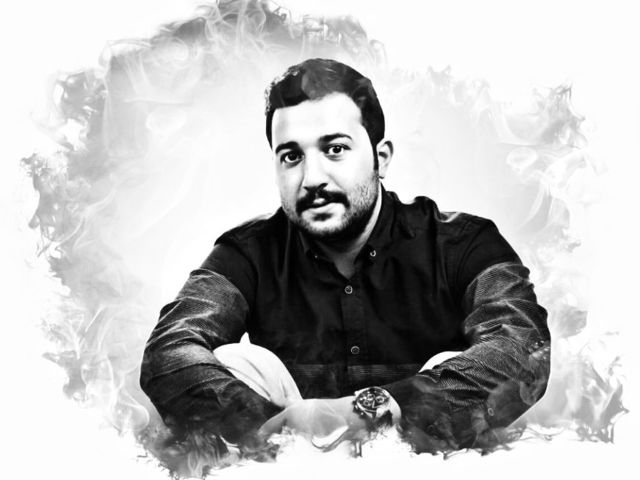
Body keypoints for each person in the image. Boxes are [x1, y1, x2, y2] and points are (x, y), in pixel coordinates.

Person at [140, 58, 550, 457]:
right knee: (238, 363)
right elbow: (170, 350)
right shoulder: (247, 252)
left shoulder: (463, 243)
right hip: (294, 463)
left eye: (335, 149)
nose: (312, 178)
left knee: (459, 370)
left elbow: (523, 348)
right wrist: (282, 429)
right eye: (291, 156)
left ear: (381, 157)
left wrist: (377, 409)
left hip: (419, 460)